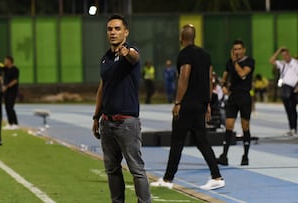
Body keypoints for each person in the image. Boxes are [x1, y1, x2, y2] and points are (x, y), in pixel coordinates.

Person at [150, 24, 225, 190]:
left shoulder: (184, 54)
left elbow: (184, 76)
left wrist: (178, 102)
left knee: (177, 141)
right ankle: (216, 176)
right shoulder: (205, 55)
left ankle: (168, 179)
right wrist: (208, 104)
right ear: (194, 37)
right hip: (200, 104)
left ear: (181, 38)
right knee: (202, 141)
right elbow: (209, 79)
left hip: (187, 104)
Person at [91, 14, 151, 203]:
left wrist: (127, 53)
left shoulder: (130, 52)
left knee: (137, 170)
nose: (113, 32)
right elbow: (102, 88)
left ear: (126, 32)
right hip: (107, 123)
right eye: (110, 29)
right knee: (112, 170)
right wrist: (96, 117)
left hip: (127, 122)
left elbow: (135, 57)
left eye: (117, 29)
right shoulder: (105, 58)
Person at [217, 39, 255, 166]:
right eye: (235, 49)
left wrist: (235, 62)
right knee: (229, 125)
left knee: (245, 127)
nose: (237, 51)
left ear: (243, 50)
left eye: (239, 49)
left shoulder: (250, 61)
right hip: (233, 97)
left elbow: (243, 74)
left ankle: (245, 155)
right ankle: (224, 155)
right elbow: (224, 76)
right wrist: (223, 86)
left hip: (244, 97)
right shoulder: (229, 63)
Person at [269, 47, 298, 136]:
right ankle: (292, 128)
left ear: (289, 54)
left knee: (293, 109)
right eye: (283, 55)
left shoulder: (295, 63)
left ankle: (293, 127)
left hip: (294, 88)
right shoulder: (282, 64)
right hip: (285, 88)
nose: (285, 57)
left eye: (286, 55)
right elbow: (271, 60)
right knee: (289, 109)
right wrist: (278, 50)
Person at [2, 56, 19, 130]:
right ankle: (10, 123)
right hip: (6, 91)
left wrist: (7, 86)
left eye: (5, 61)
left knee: (10, 107)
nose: (4, 62)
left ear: (9, 61)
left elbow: (15, 80)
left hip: (12, 91)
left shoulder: (15, 69)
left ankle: (15, 123)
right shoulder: (5, 69)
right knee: (6, 107)